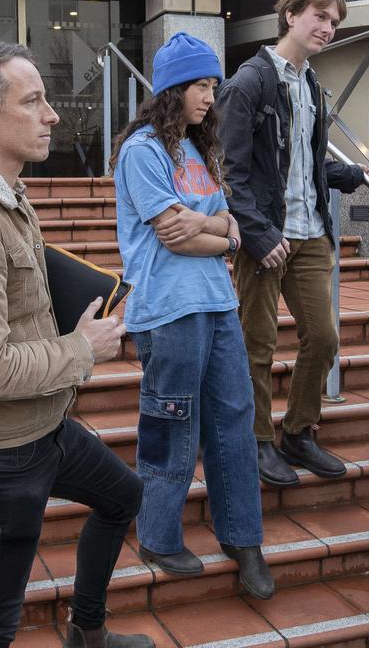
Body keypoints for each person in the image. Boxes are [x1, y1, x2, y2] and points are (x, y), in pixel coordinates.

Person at [0, 43, 151, 648]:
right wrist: (81, 349)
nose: (53, 116)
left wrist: (84, 313)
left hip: (43, 428)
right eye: (34, 100)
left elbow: (19, 302)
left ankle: (86, 633)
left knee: (124, 496)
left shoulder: (3, 192)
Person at [109, 32, 273, 598]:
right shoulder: (143, 152)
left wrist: (215, 230)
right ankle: (156, 533)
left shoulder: (202, 151)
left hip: (219, 302)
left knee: (235, 417)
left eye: (212, 84)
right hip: (168, 308)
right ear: (173, 88)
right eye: (201, 85)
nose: (210, 95)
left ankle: (243, 538)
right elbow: (173, 238)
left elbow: (224, 227)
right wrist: (220, 232)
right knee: (172, 420)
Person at [217, 0, 368, 487]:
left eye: (334, 22)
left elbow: (294, 161)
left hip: (311, 233)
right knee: (257, 343)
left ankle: (298, 432)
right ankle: (258, 440)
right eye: (320, 17)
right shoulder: (249, 82)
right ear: (291, 16)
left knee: (323, 339)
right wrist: (257, 234)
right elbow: (231, 173)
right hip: (267, 238)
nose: (328, 28)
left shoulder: (309, 85)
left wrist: (335, 174)